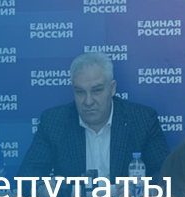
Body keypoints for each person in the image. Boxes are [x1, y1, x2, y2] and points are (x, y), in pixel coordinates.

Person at [17, 52, 170, 182]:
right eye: (80, 92)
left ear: (112, 88)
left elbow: (165, 175)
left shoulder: (142, 120)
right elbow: (26, 176)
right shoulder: (54, 122)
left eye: (96, 91)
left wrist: (140, 187)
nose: (88, 101)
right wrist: (43, 189)